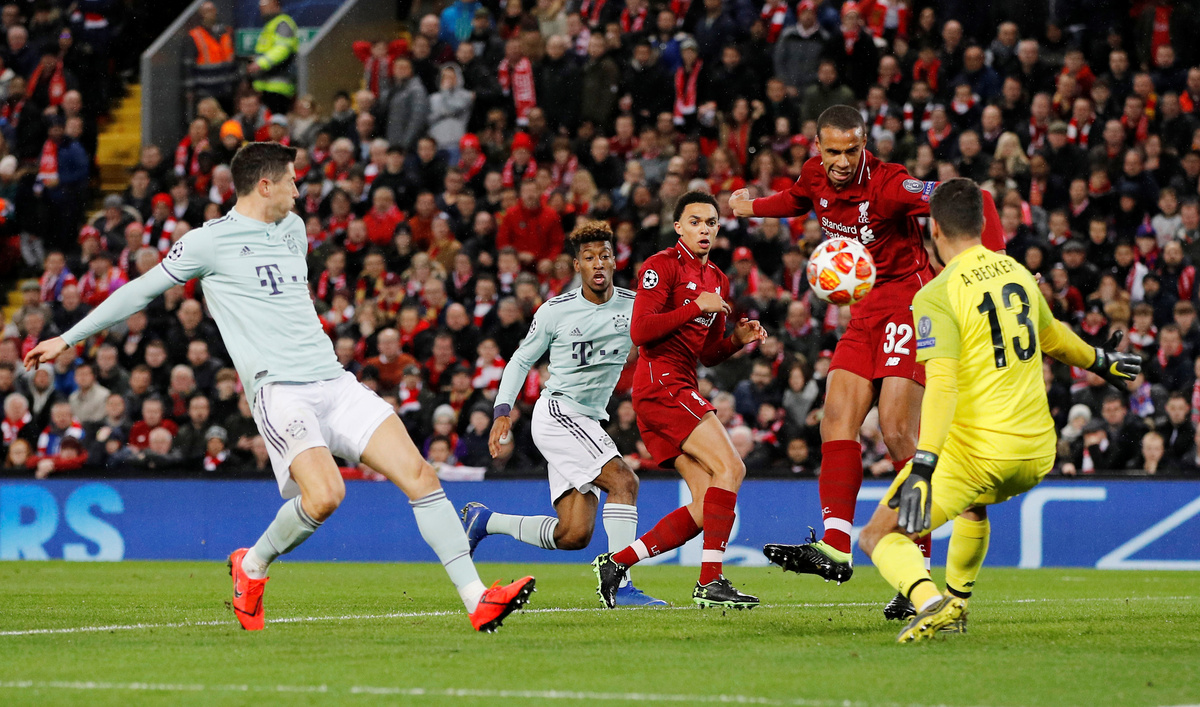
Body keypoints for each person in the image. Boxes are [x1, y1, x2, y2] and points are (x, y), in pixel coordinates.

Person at [23, 142, 534, 633]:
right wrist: (67, 338)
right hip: (281, 391)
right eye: (290, 180)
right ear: (264, 185)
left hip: (335, 381)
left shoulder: (293, 228)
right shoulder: (206, 241)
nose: (298, 189)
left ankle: (477, 600)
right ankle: (253, 564)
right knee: (326, 495)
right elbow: (139, 291)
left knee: (420, 475)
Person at [729, 105, 1004, 619]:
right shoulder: (815, 175)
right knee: (835, 419)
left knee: (898, 432)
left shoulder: (889, 184)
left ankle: (916, 571)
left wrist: (994, 266)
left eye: (851, 150)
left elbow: (973, 198)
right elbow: (796, 198)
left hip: (911, 304)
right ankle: (835, 546)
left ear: (863, 145)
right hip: (862, 314)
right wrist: (752, 208)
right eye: (832, 151)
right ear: (817, 146)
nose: (840, 161)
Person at [856, 179, 1140, 642]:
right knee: (973, 506)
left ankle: (929, 603)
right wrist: (1099, 360)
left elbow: (942, 384)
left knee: (877, 535)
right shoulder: (1017, 272)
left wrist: (924, 464)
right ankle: (957, 603)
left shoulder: (936, 294)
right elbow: (1052, 335)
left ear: (934, 229)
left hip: (979, 456)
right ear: (983, 223)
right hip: (1037, 454)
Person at [460, 221, 665, 607]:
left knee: (573, 534)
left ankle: (486, 521)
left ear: (614, 262)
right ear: (577, 266)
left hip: (587, 420)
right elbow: (521, 360)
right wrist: (502, 410)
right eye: (589, 257)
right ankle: (621, 586)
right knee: (624, 482)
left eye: (604, 256)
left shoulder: (635, 306)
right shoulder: (556, 310)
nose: (598, 263)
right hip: (559, 412)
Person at [593, 191, 767, 610]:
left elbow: (708, 353)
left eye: (711, 222)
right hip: (661, 383)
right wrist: (693, 306)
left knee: (707, 503)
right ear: (678, 227)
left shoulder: (718, 280)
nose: (704, 229)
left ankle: (617, 563)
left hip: (680, 384)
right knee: (732, 467)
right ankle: (710, 581)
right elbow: (640, 331)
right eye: (695, 221)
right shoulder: (661, 266)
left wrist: (736, 341)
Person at [184, 1, 237, 114]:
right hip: (206, 90)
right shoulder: (195, 35)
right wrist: (190, 89)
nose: (209, 13)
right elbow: (188, 65)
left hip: (226, 88)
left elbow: (233, 60)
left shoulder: (226, 32)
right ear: (201, 14)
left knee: (227, 120)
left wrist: (237, 82)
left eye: (211, 10)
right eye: (206, 11)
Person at [248, 0, 299, 115]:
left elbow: (283, 48)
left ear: (276, 6)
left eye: (266, 6)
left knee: (277, 121)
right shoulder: (270, 24)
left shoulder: (283, 23)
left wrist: (260, 63)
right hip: (265, 85)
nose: (262, 9)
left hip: (278, 86)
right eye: (261, 7)